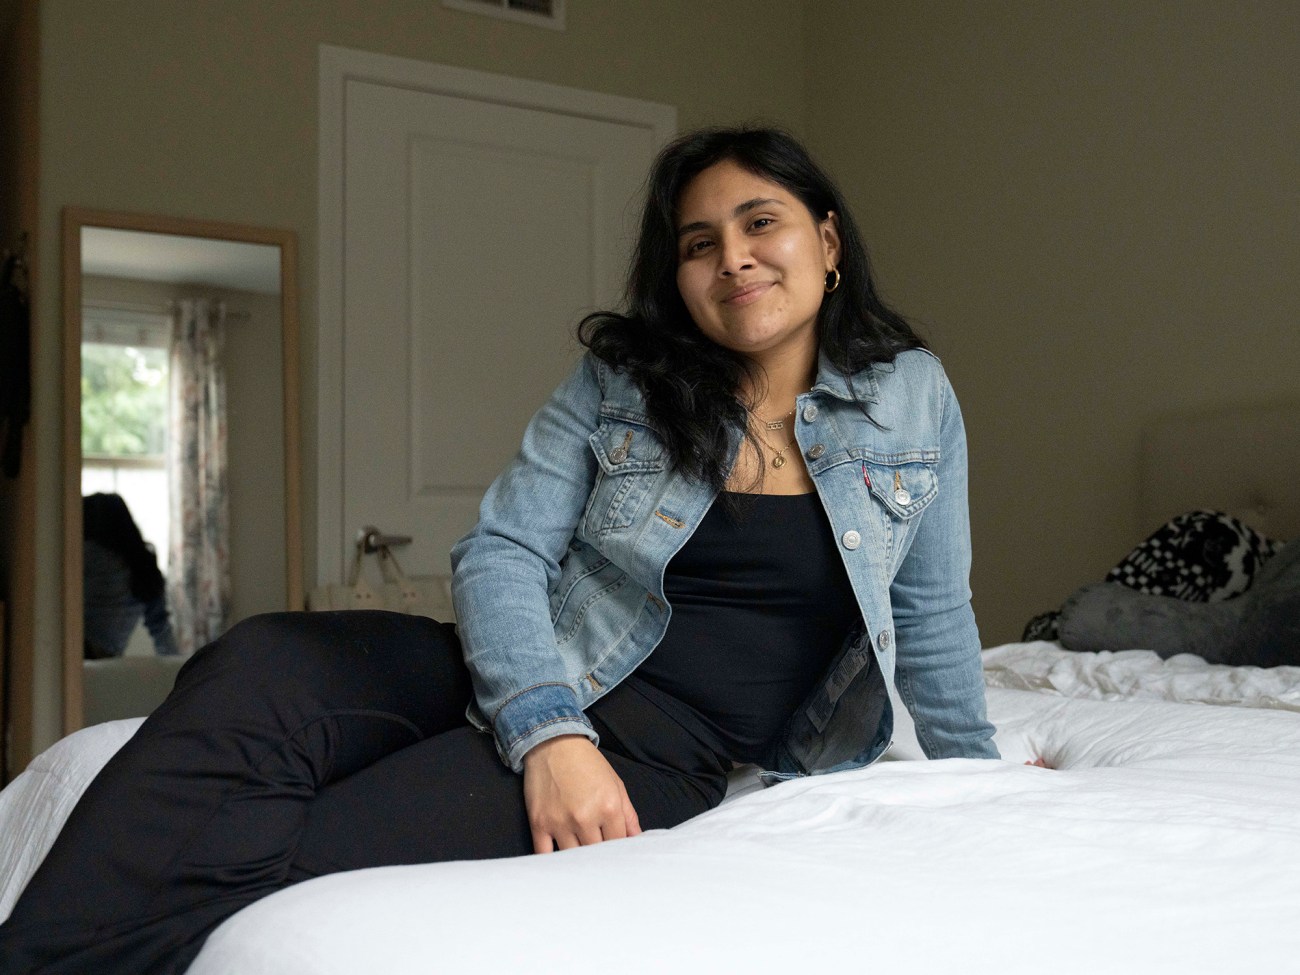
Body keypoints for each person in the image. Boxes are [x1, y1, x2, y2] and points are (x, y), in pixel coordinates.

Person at [0, 127, 998, 974]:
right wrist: (547, 732)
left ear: (826, 242)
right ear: (678, 276)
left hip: (664, 744)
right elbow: (502, 551)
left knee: (315, 850)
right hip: (524, 664)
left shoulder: (912, 397)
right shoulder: (624, 377)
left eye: (760, 223)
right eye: (699, 242)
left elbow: (933, 611)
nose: (732, 257)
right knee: (258, 662)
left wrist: (979, 774)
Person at [82, 492, 180, 658]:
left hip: (83, 649)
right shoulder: (142, 565)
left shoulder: (89, 555)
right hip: (110, 653)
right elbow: (160, 627)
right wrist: (177, 670)